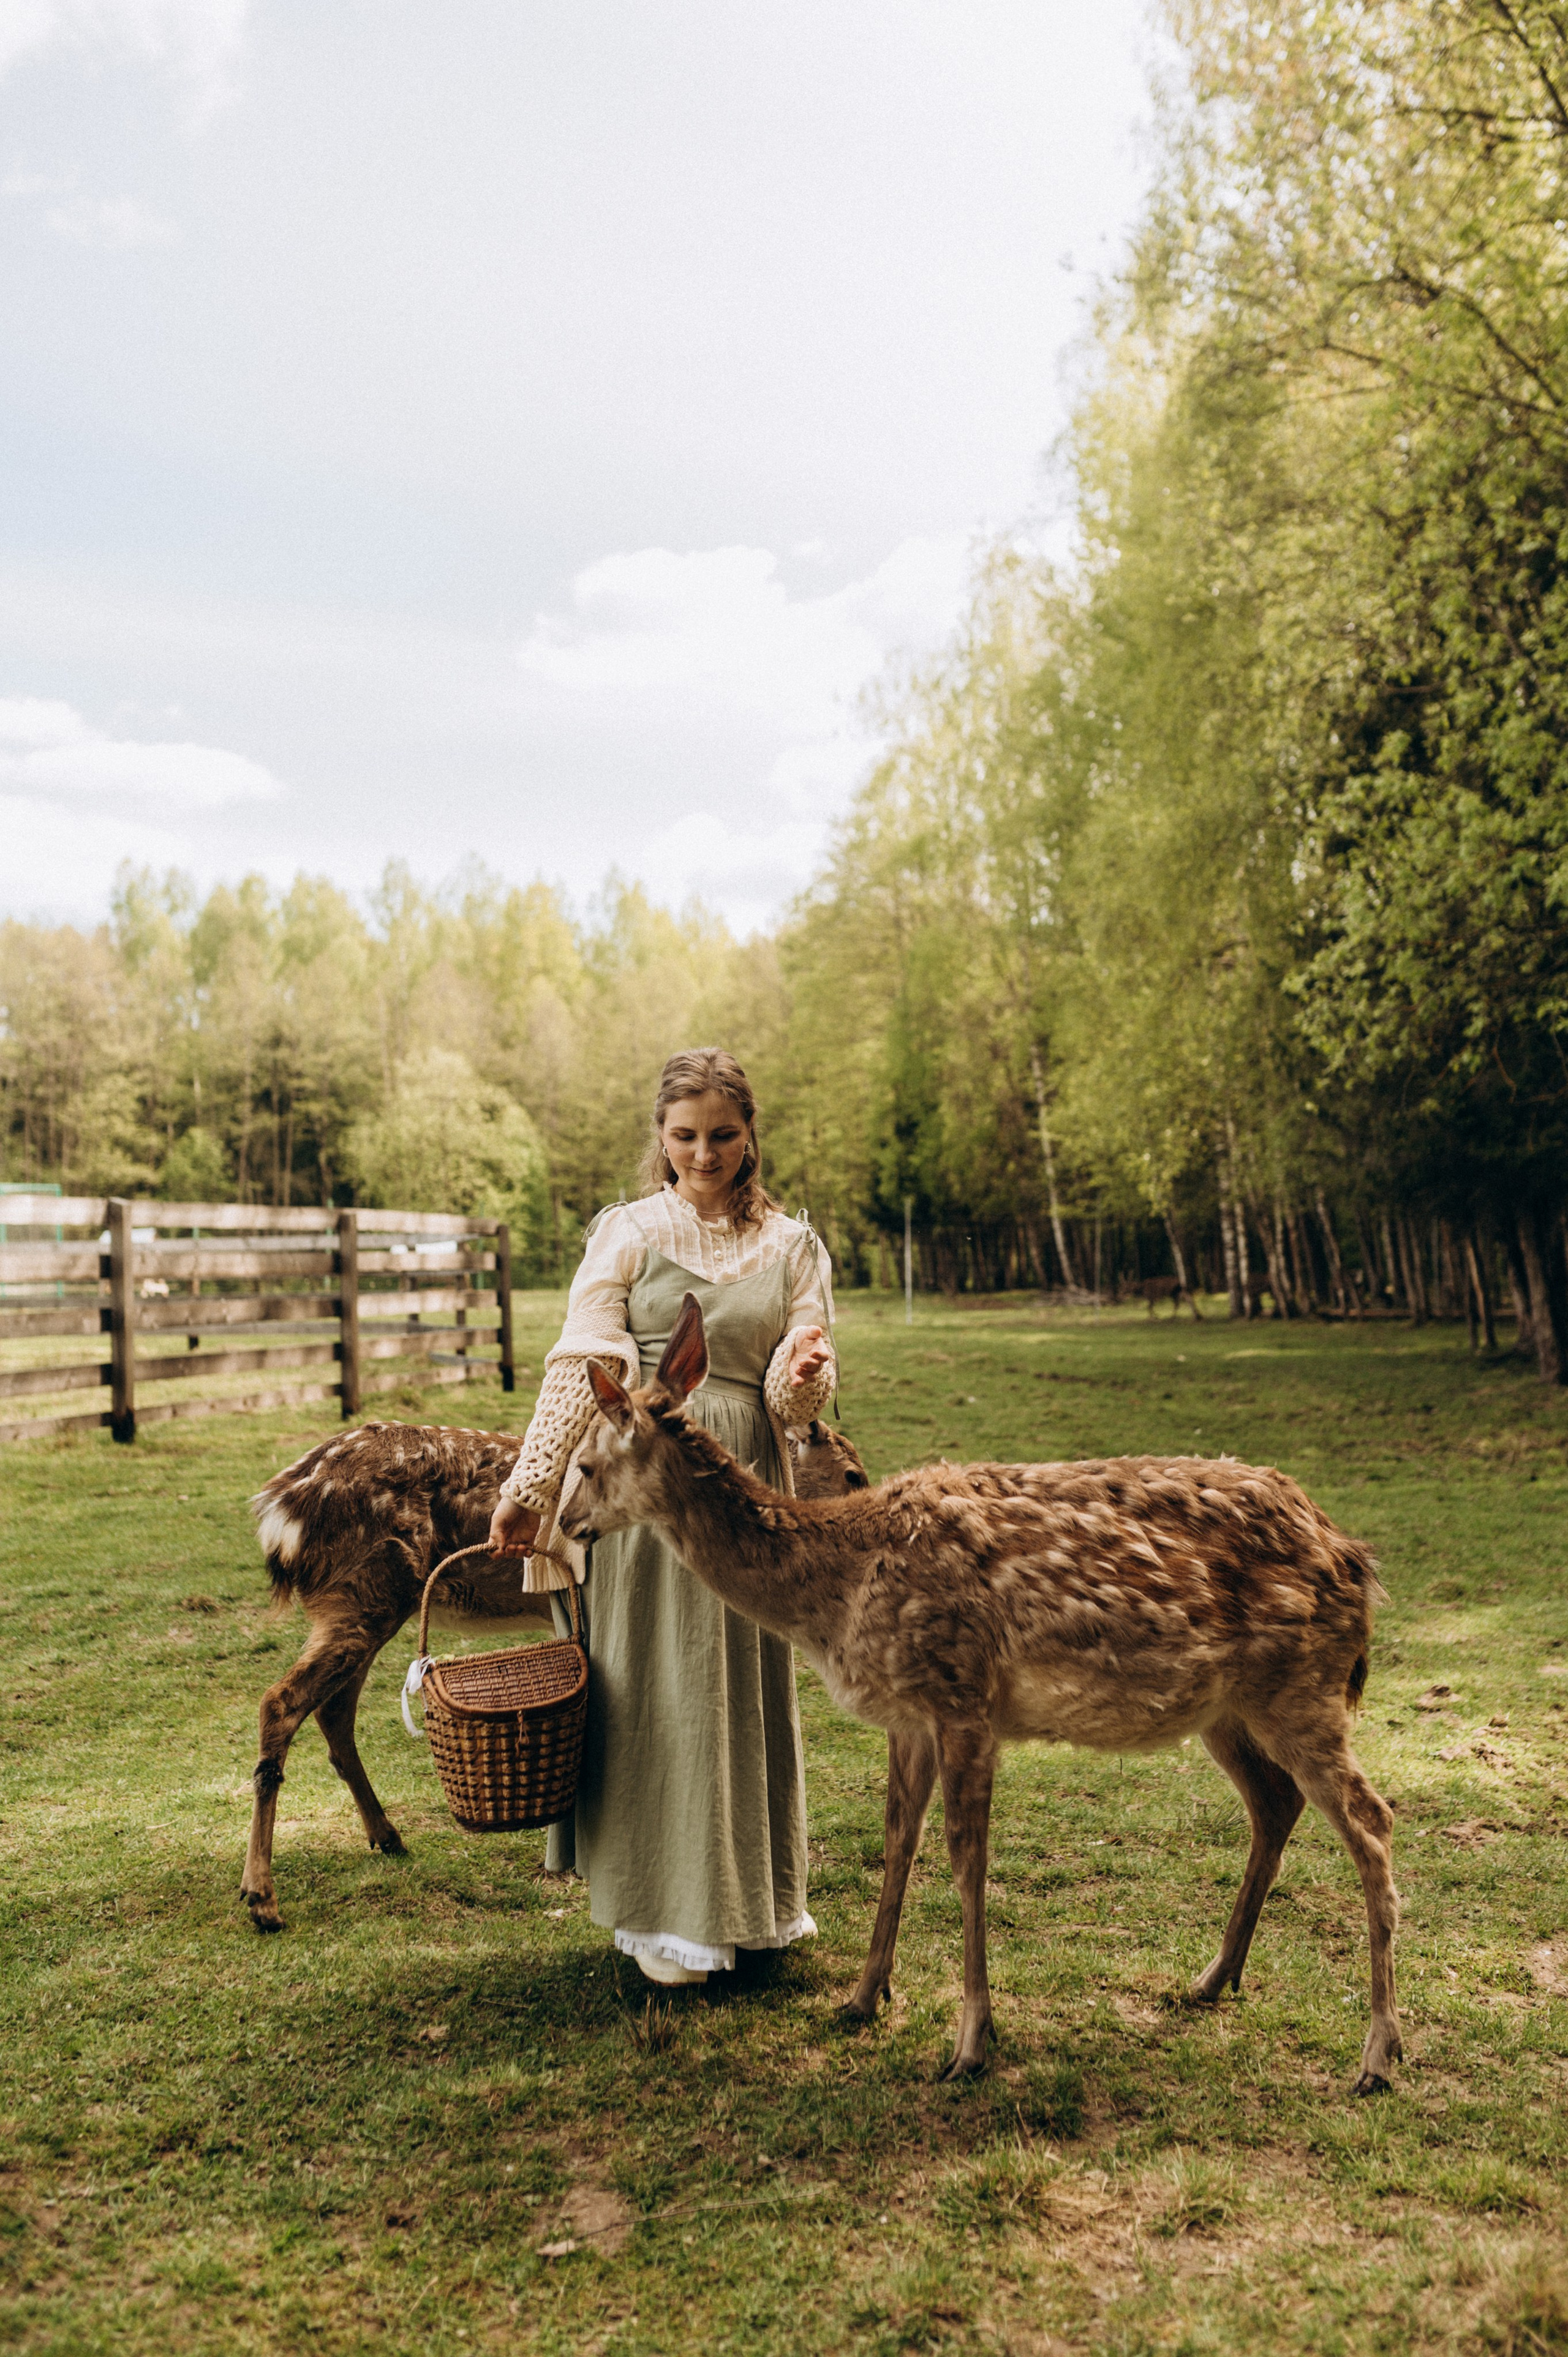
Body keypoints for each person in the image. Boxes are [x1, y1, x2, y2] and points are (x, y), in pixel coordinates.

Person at [487, 1047, 837, 1986]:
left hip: (740, 1483)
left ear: (750, 1133)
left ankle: (747, 1908)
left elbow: (793, 1396)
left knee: (736, 1686)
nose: (704, 1153)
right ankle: (664, 1923)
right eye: (685, 1136)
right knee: (654, 1687)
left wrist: (804, 1378)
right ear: (661, 1136)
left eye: (723, 1135)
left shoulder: (795, 1246)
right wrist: (531, 1487)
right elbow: (579, 1366)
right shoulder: (629, 1231)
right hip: (641, 1481)